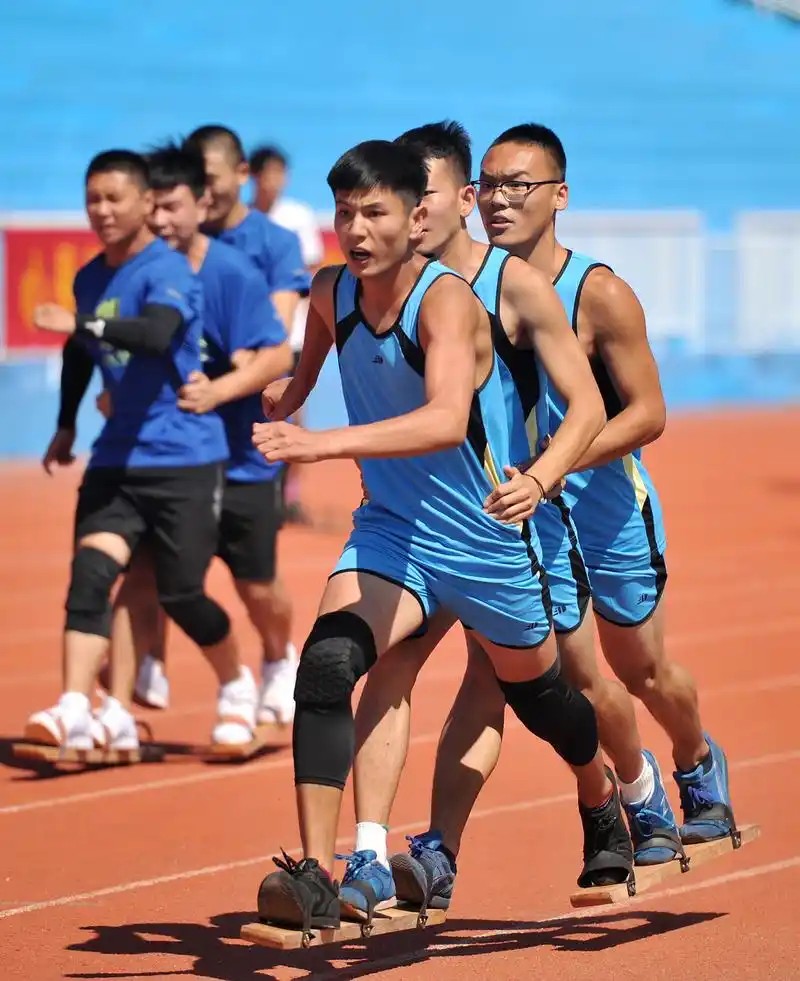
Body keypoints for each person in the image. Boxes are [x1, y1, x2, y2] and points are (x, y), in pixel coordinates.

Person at [249, 138, 630, 934]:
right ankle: (321, 870)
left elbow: (446, 419)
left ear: (414, 214)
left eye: (374, 213)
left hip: (484, 538)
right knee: (329, 664)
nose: (356, 230)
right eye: (344, 213)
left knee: (542, 697)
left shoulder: (449, 301)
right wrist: (287, 392)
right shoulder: (330, 291)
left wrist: (319, 444)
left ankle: (599, 794)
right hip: (393, 534)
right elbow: (312, 361)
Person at [334, 120, 683, 918]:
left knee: (579, 680)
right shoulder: (390, 286)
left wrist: (541, 476)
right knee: (412, 671)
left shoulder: (513, 286)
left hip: (518, 526)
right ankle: (421, 852)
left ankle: (641, 793)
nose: (405, 213)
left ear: (453, 200)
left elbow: (599, 408)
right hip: (421, 528)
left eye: (418, 196)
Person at [27, 149, 247, 750]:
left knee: (180, 593)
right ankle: (77, 706)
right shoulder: (90, 277)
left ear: (145, 202)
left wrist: (82, 324)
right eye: (91, 200)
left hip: (184, 458)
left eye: (113, 198)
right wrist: (66, 424)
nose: (100, 210)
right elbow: (79, 355)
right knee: (91, 574)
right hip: (117, 457)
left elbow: (155, 334)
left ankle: (236, 683)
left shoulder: (167, 269)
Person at [103, 142, 295, 736]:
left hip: (242, 453)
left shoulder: (247, 261)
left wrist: (224, 386)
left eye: (177, 202)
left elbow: (277, 351)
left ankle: (277, 658)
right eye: (156, 205)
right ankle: (116, 707)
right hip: (168, 455)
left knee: (254, 584)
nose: (164, 216)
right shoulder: (139, 265)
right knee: (139, 574)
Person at [249, 143, 325, 524]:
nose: (274, 182)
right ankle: (260, 494)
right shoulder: (244, 220)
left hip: (293, 336)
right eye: (268, 174)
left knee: (293, 415)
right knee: (256, 416)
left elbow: (310, 273)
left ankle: (288, 496)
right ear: (252, 176)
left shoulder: (297, 217)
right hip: (251, 337)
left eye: (280, 174)